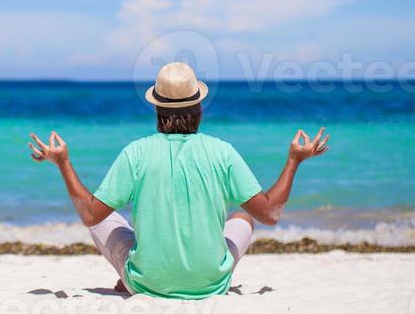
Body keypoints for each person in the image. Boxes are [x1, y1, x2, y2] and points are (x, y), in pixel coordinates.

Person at [28, 62, 329, 299]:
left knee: (105, 218)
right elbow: (270, 214)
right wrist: (294, 161)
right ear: (198, 105)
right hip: (213, 285)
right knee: (242, 218)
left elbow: (90, 214)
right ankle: (201, 268)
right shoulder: (221, 151)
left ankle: (132, 274)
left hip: (147, 286)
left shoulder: (136, 152)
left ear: (157, 107)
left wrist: (63, 163)